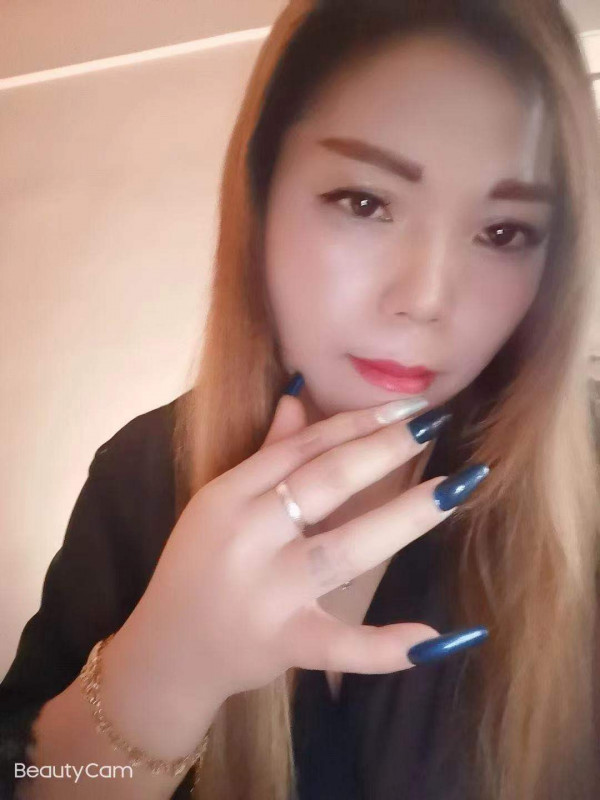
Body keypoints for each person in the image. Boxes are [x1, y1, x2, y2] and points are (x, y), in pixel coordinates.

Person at [1, 0, 600, 798]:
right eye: (365, 201)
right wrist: (163, 676)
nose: (425, 299)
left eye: (503, 233)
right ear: (260, 198)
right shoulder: (140, 475)